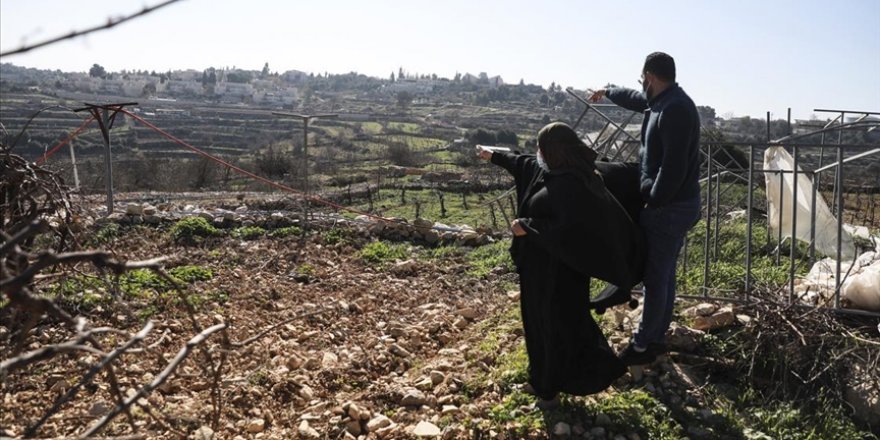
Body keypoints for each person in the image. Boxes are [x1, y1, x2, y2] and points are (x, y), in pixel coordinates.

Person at [477, 122, 643, 407]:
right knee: (539, 326)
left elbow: (572, 230)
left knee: (556, 329)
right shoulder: (551, 172)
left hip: (559, 275)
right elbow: (522, 162)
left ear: (552, 151)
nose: (537, 153)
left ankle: (554, 388)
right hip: (539, 272)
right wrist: (492, 155)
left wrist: (527, 226)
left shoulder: (576, 183)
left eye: (540, 148)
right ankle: (542, 380)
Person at [587, 51, 702, 366]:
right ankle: (656, 337)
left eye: (642, 79)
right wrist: (608, 91)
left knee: (655, 278)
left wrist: (653, 196)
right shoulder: (662, 101)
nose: (641, 85)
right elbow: (636, 99)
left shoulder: (675, 109)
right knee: (663, 275)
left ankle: (642, 346)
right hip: (674, 204)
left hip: (670, 207)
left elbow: (674, 166)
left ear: (650, 76)